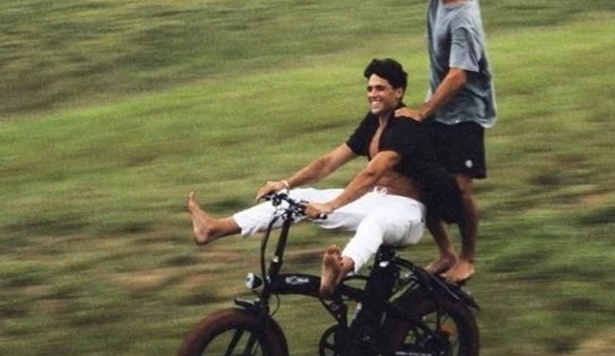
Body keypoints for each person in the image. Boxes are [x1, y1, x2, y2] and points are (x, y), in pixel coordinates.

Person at [187, 57, 462, 299]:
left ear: (398, 92)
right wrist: (285, 184)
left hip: (407, 214)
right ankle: (215, 228)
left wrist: (331, 205)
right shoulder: (373, 123)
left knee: (375, 222)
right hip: (375, 201)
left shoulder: (406, 126)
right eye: (369, 88)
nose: (373, 94)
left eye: (380, 88)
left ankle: (341, 269)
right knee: (297, 199)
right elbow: (329, 161)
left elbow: (372, 173)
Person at [395, 0, 496, 285]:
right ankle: (445, 252)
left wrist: (422, 112)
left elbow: (458, 77)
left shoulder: (462, 20)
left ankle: (467, 258)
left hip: (464, 114)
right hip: (439, 108)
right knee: (418, 175)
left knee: (460, 189)